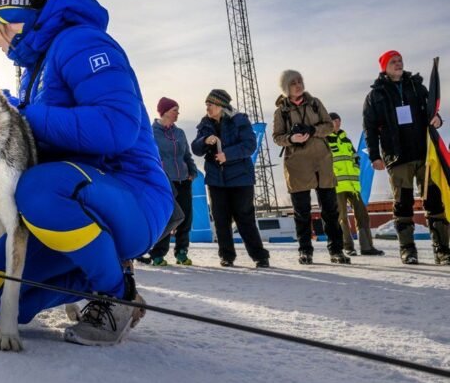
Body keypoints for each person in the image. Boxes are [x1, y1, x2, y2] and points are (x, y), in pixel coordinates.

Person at [0, 0, 173, 346]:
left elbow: (117, 126)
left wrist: (22, 114)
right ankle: (93, 279)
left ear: (14, 17)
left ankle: (116, 294)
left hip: (131, 195)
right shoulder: (35, 70)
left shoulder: (82, 41)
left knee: (39, 189)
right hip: (69, 201)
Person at [363, 51, 447, 265]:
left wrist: (437, 119)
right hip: (397, 157)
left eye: (400, 60)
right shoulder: (376, 95)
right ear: (384, 67)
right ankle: (408, 250)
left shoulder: (415, 86)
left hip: (424, 154)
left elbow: (431, 111)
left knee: (434, 201)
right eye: (393, 61)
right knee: (403, 203)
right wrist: (375, 156)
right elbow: (370, 128)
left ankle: (443, 249)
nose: (398, 64)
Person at [272, 71, 351, 265]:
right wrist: (291, 138)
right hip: (297, 165)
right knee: (302, 212)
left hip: (322, 162)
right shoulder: (281, 111)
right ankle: (305, 250)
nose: (298, 85)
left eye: (300, 81)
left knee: (330, 210)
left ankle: (336, 250)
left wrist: (313, 130)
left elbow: (329, 126)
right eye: (293, 83)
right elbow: (277, 137)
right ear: (285, 88)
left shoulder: (315, 103)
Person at [192, 89, 271, 268]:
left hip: (240, 178)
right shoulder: (204, 124)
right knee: (221, 219)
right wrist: (204, 140)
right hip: (215, 179)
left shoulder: (239, 120)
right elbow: (195, 148)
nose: (207, 108)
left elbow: (249, 145)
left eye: (210, 104)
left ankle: (259, 256)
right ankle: (227, 256)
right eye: (206, 104)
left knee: (245, 217)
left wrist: (227, 155)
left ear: (221, 105)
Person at [149, 97, 198, 266]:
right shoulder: (151, 133)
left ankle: (182, 252)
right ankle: (158, 254)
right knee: (167, 218)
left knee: (185, 217)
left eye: (178, 110)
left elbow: (187, 155)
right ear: (164, 112)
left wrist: (192, 171)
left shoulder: (180, 133)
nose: (178, 113)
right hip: (164, 182)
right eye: (174, 110)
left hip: (183, 180)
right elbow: (148, 157)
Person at [326, 113, 383, 256]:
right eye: (334, 120)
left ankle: (367, 247)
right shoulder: (325, 141)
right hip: (336, 186)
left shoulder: (346, 141)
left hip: (353, 186)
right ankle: (348, 247)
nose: (337, 123)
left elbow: (355, 158)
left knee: (363, 215)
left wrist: (357, 168)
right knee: (342, 217)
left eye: (339, 120)